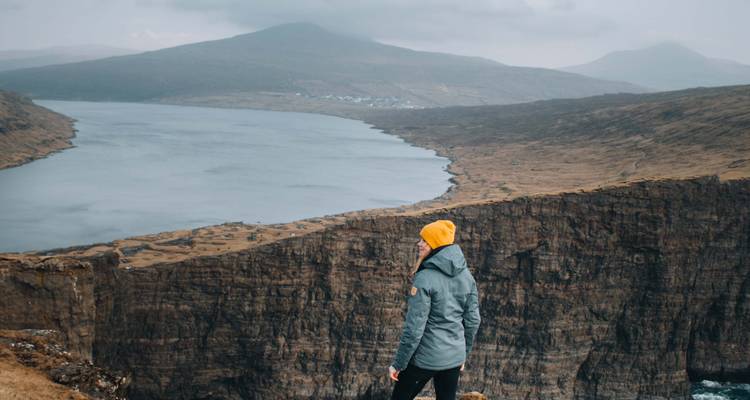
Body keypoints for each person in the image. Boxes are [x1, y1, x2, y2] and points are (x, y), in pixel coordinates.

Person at [388, 219, 481, 400]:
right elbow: (473, 320)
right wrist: (463, 355)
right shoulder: (466, 276)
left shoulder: (425, 278)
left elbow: (414, 329)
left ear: (436, 244)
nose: (419, 244)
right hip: (453, 358)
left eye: (424, 240)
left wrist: (398, 364)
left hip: (424, 359)